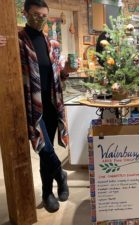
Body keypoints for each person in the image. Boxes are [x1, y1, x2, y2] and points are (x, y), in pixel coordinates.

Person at [18, 0, 70, 213]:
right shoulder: (18, 40)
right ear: (25, 13)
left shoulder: (51, 43)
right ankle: (61, 175)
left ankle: (47, 192)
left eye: (43, 15)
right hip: (32, 106)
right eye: (35, 14)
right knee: (44, 148)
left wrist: (66, 70)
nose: (39, 18)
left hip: (52, 104)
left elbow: (57, 76)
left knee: (43, 153)